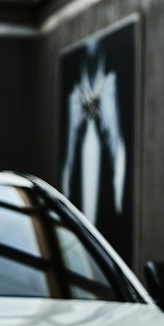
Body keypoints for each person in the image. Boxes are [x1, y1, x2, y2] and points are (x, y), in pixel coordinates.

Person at [60, 38, 126, 236]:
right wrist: (65, 193)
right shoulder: (74, 95)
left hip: (105, 182)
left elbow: (118, 143)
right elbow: (69, 153)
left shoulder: (109, 86)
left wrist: (118, 197)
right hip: (79, 177)